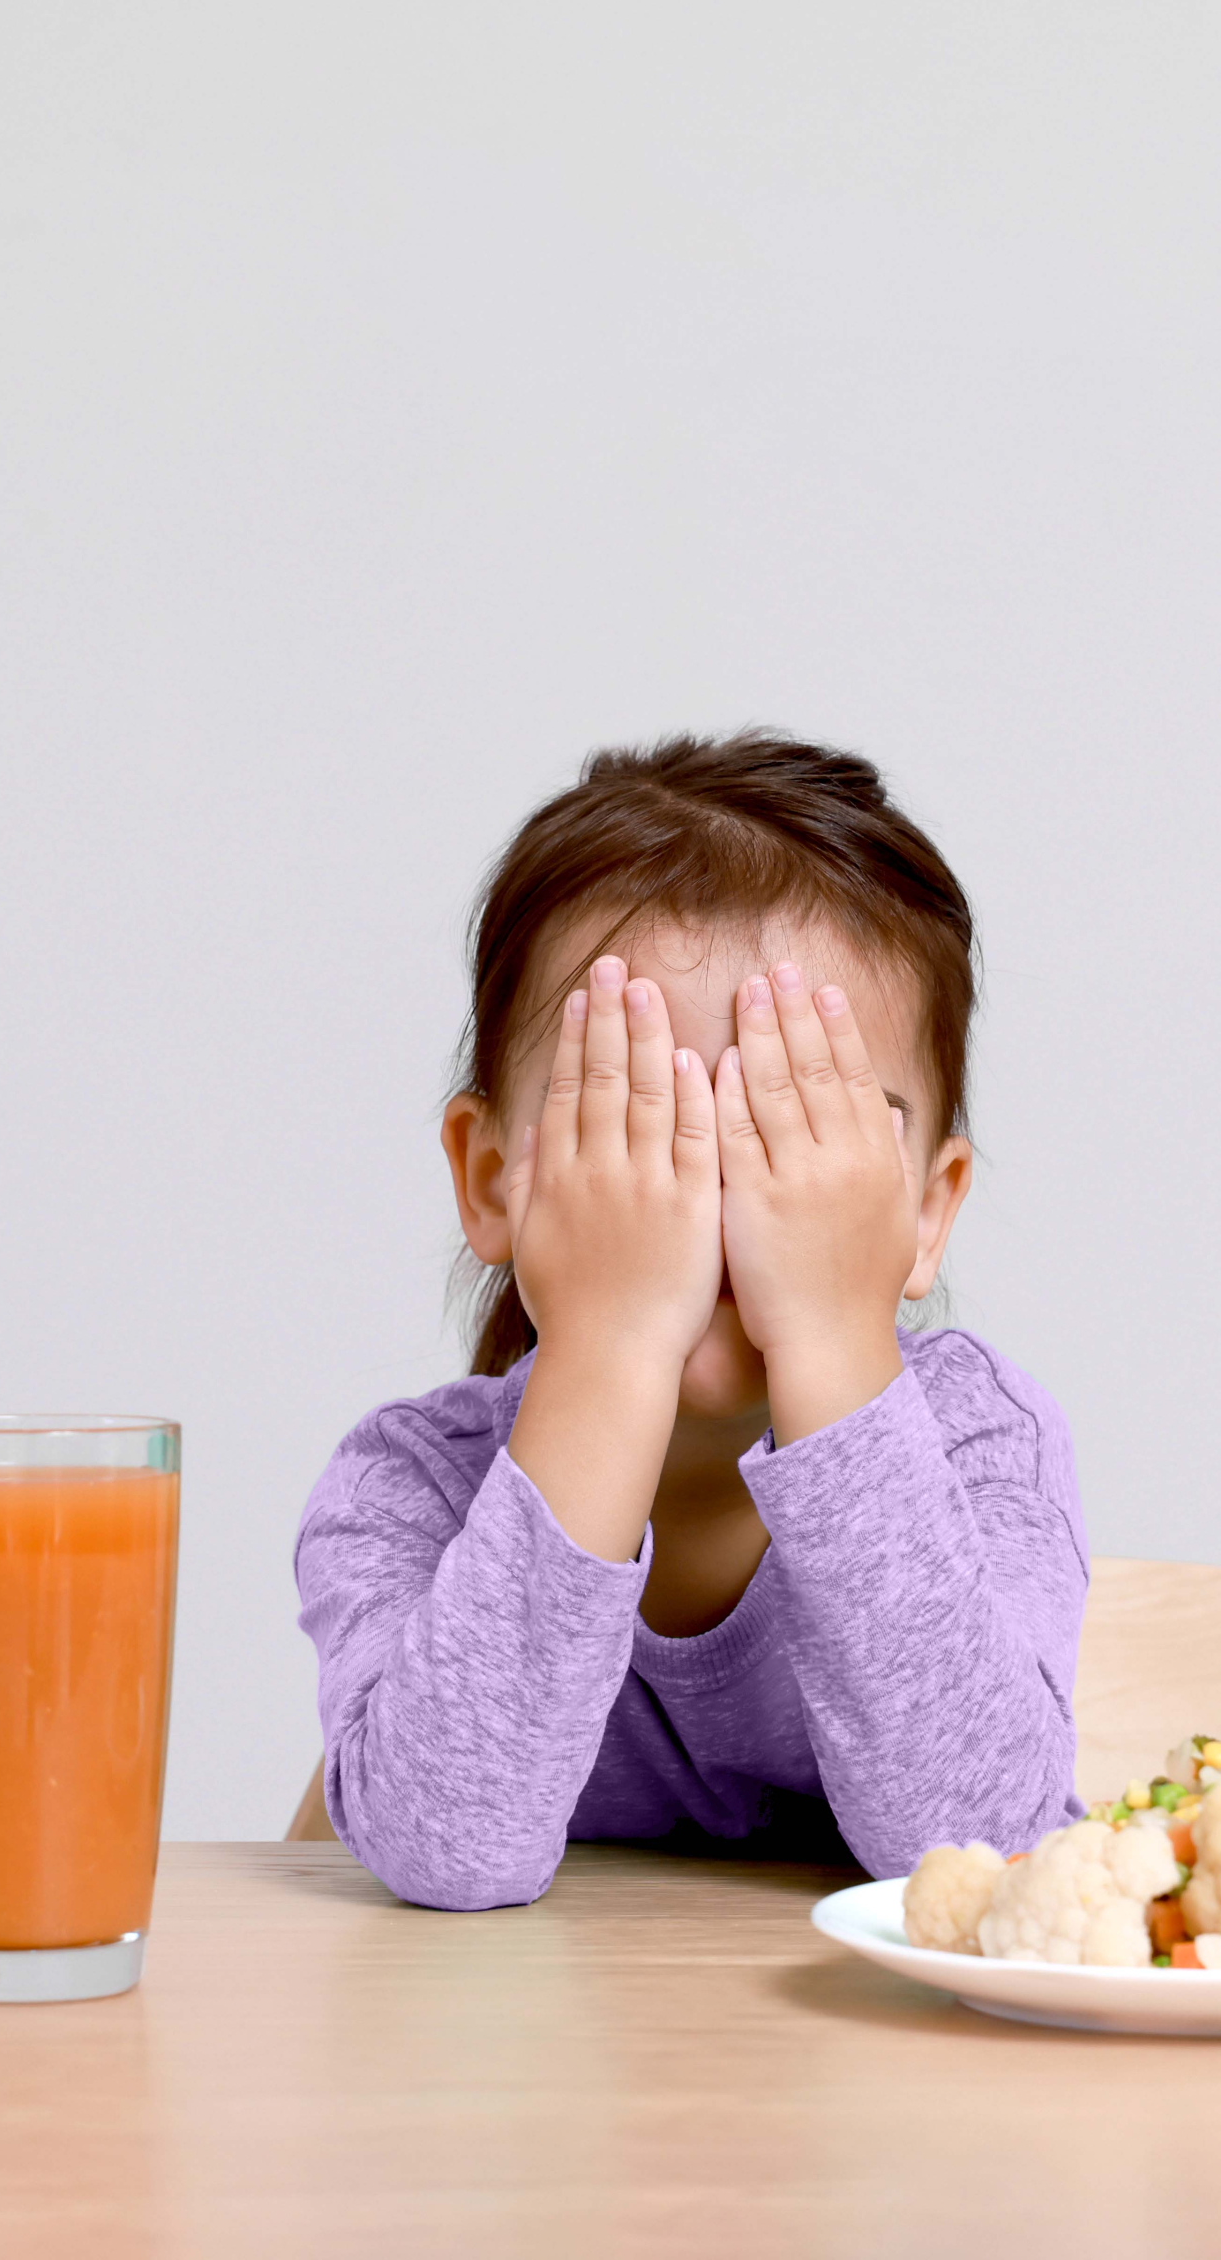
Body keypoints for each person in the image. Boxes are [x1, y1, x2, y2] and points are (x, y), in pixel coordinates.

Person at [294, 731, 1084, 1908]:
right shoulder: (411, 1484)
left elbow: (984, 1853)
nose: (717, 1205)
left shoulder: (977, 1439)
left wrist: (830, 1338)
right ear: (493, 1176)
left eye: (803, 1139)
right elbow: (445, 1850)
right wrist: (610, 1348)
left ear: (926, 1209)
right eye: (636, 1130)